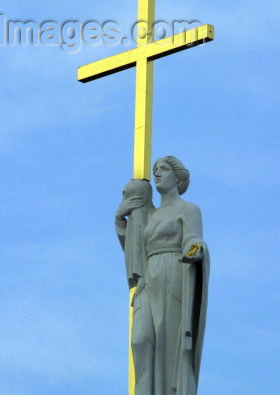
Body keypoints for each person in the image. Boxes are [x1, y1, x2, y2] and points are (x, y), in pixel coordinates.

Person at [115, 156, 209, 395]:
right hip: (149, 278)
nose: (157, 174)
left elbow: (193, 238)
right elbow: (135, 251)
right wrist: (120, 220)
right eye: (155, 170)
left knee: (168, 344)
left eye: (163, 170)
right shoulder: (148, 215)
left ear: (177, 177)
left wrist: (195, 249)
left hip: (173, 272)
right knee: (140, 340)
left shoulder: (188, 209)